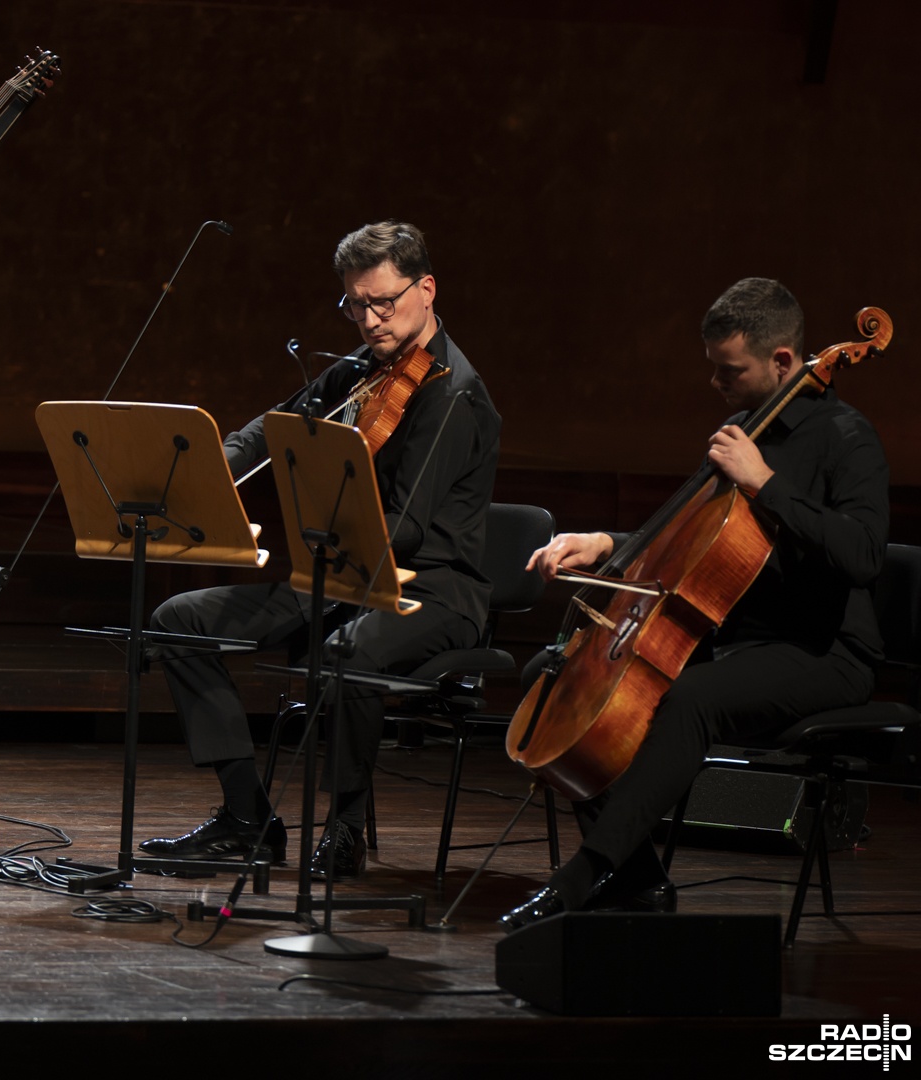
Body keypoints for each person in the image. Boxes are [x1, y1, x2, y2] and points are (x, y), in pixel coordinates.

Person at [501, 277, 887, 930]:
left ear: (783, 360)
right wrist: (605, 543)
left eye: (729, 371)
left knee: (690, 699)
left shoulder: (847, 437)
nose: (715, 383)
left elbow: (863, 555)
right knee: (562, 679)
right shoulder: (743, 429)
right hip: (735, 635)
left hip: (822, 650)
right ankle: (638, 880)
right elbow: (684, 541)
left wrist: (765, 483)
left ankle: (582, 876)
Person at [141, 221, 501, 876]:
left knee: (348, 652)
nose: (368, 320)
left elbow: (407, 526)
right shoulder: (362, 369)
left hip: (434, 590)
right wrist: (206, 472)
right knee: (178, 620)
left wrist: (321, 536)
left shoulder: (454, 395)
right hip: (347, 574)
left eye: (382, 303)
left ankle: (345, 829)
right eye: (354, 305)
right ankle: (247, 818)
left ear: (426, 290)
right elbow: (272, 429)